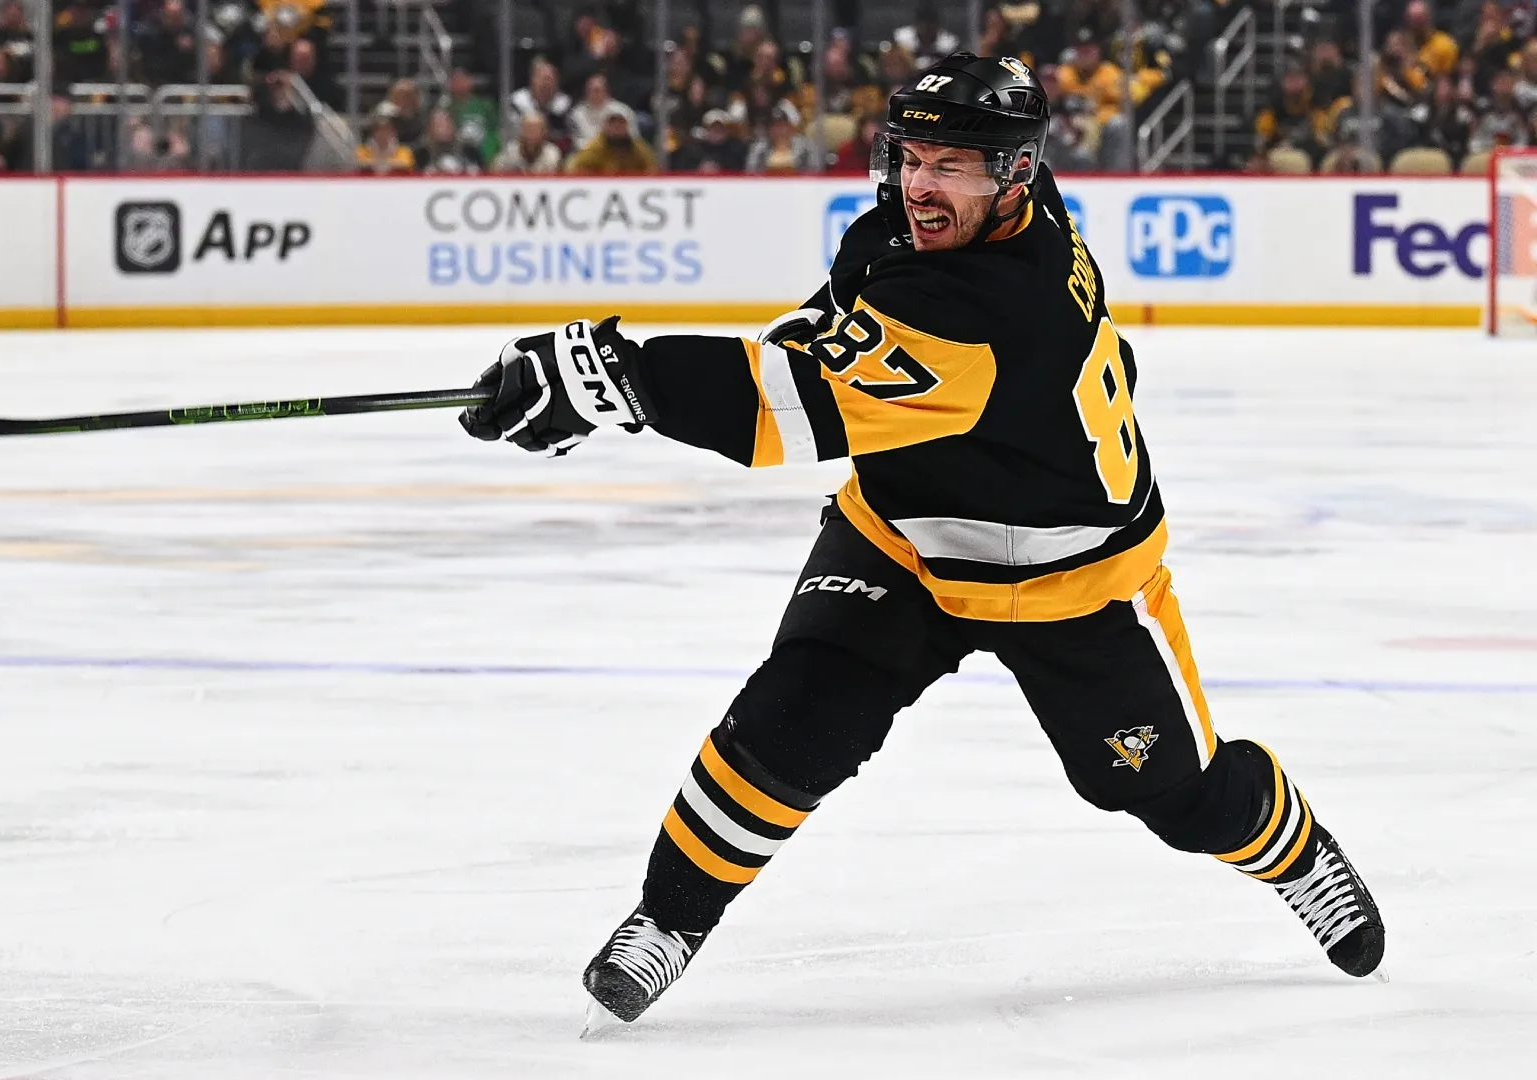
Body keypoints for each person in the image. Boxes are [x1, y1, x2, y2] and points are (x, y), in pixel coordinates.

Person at [456, 52, 1386, 1031]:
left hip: (1074, 578)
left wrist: (610, 378)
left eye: (951, 166)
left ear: (1015, 175)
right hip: (903, 535)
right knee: (795, 716)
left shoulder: (995, 310)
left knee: (1172, 793)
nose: (919, 184)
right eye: (912, 157)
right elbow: (831, 330)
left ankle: (1299, 855)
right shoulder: (946, 225)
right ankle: (669, 919)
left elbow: (784, 407)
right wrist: (620, 386)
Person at [563, 101, 657, 174]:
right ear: (605, 127)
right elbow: (575, 167)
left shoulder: (638, 149)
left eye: (621, 122)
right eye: (612, 122)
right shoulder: (595, 148)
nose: (616, 126)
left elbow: (652, 169)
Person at [744, 100, 821, 173]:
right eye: (774, 126)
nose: (779, 131)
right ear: (769, 130)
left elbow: (815, 172)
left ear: (790, 128)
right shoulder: (758, 149)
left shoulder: (806, 148)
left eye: (782, 126)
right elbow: (751, 173)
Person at [489, 111, 563, 174]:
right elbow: (494, 174)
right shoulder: (510, 152)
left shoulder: (552, 154)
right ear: (520, 131)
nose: (531, 134)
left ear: (544, 132)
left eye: (536, 129)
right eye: (528, 129)